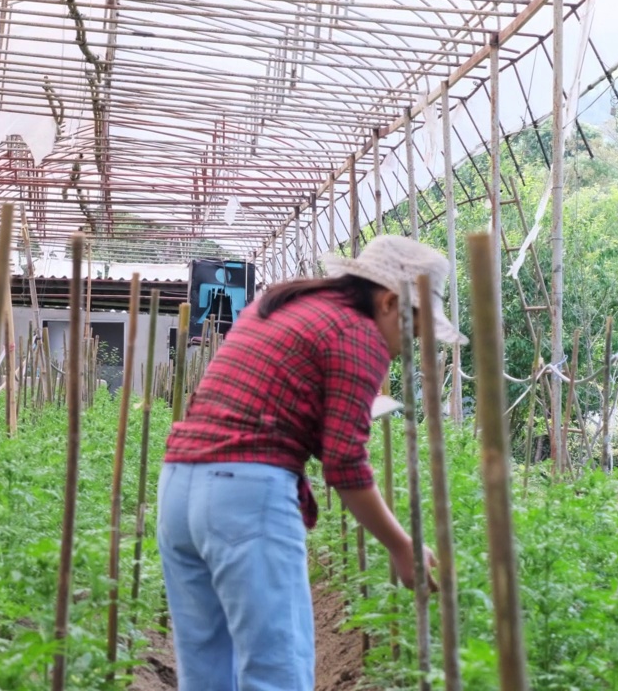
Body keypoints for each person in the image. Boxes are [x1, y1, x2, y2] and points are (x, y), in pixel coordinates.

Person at [159, 235, 465, 690]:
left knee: (206, 674)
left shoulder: (284, 305)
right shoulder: (357, 334)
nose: (407, 346)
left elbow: (276, 403)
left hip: (178, 488)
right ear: (388, 302)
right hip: (244, 497)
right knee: (276, 673)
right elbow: (344, 463)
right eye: (413, 330)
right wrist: (401, 545)